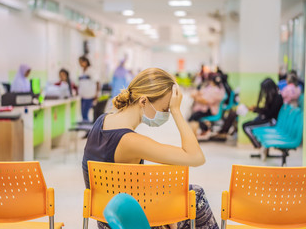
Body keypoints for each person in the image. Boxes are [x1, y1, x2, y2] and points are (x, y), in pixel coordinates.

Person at [82, 68, 219, 229]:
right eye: (165, 109)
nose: (166, 114)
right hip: (129, 220)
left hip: (106, 216)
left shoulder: (102, 120)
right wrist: (177, 112)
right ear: (143, 101)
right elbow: (196, 157)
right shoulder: (130, 141)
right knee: (196, 195)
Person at [243, 78, 283, 148]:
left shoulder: (278, 98)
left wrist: (258, 111)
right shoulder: (273, 97)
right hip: (269, 119)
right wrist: (256, 109)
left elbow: (270, 114)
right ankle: (261, 146)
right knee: (254, 121)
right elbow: (267, 111)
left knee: (246, 127)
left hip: (272, 121)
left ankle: (258, 146)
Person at [189, 73, 225, 139]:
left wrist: (195, 97)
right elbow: (201, 92)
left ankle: (193, 137)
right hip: (206, 109)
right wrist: (197, 94)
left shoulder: (216, 91)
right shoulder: (212, 88)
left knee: (193, 118)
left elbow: (206, 101)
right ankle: (201, 131)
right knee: (194, 116)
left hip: (210, 110)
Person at [78, 56, 100, 122]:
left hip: (90, 95)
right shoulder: (81, 71)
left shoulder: (91, 70)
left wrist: (97, 93)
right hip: (83, 95)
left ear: (86, 62)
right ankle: (87, 127)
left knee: (85, 114)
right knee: (83, 114)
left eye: (81, 62)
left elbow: (97, 82)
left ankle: (88, 129)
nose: (80, 64)